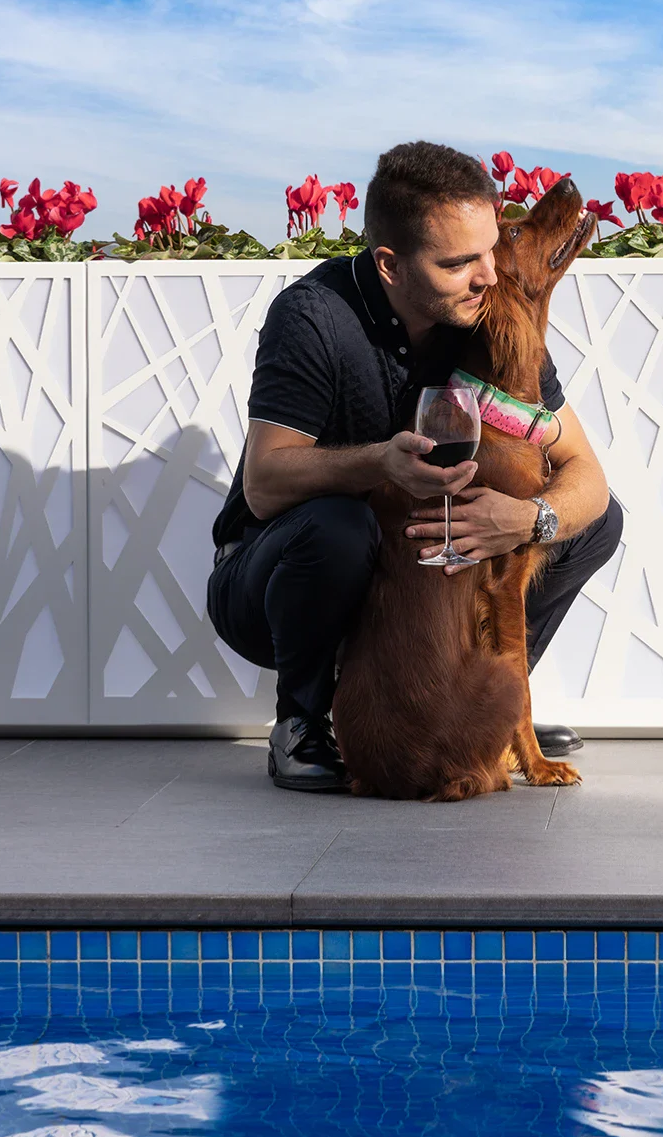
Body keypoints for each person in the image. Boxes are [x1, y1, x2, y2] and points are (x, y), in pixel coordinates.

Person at [207, 140, 623, 792]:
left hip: (411, 590)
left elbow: (586, 476)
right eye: (459, 263)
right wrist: (380, 462)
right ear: (391, 265)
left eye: (490, 251)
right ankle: (301, 721)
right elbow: (264, 485)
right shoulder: (315, 317)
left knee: (584, 521)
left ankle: (475, 711)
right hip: (270, 582)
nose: (486, 275)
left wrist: (528, 518)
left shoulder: (489, 311)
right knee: (340, 526)